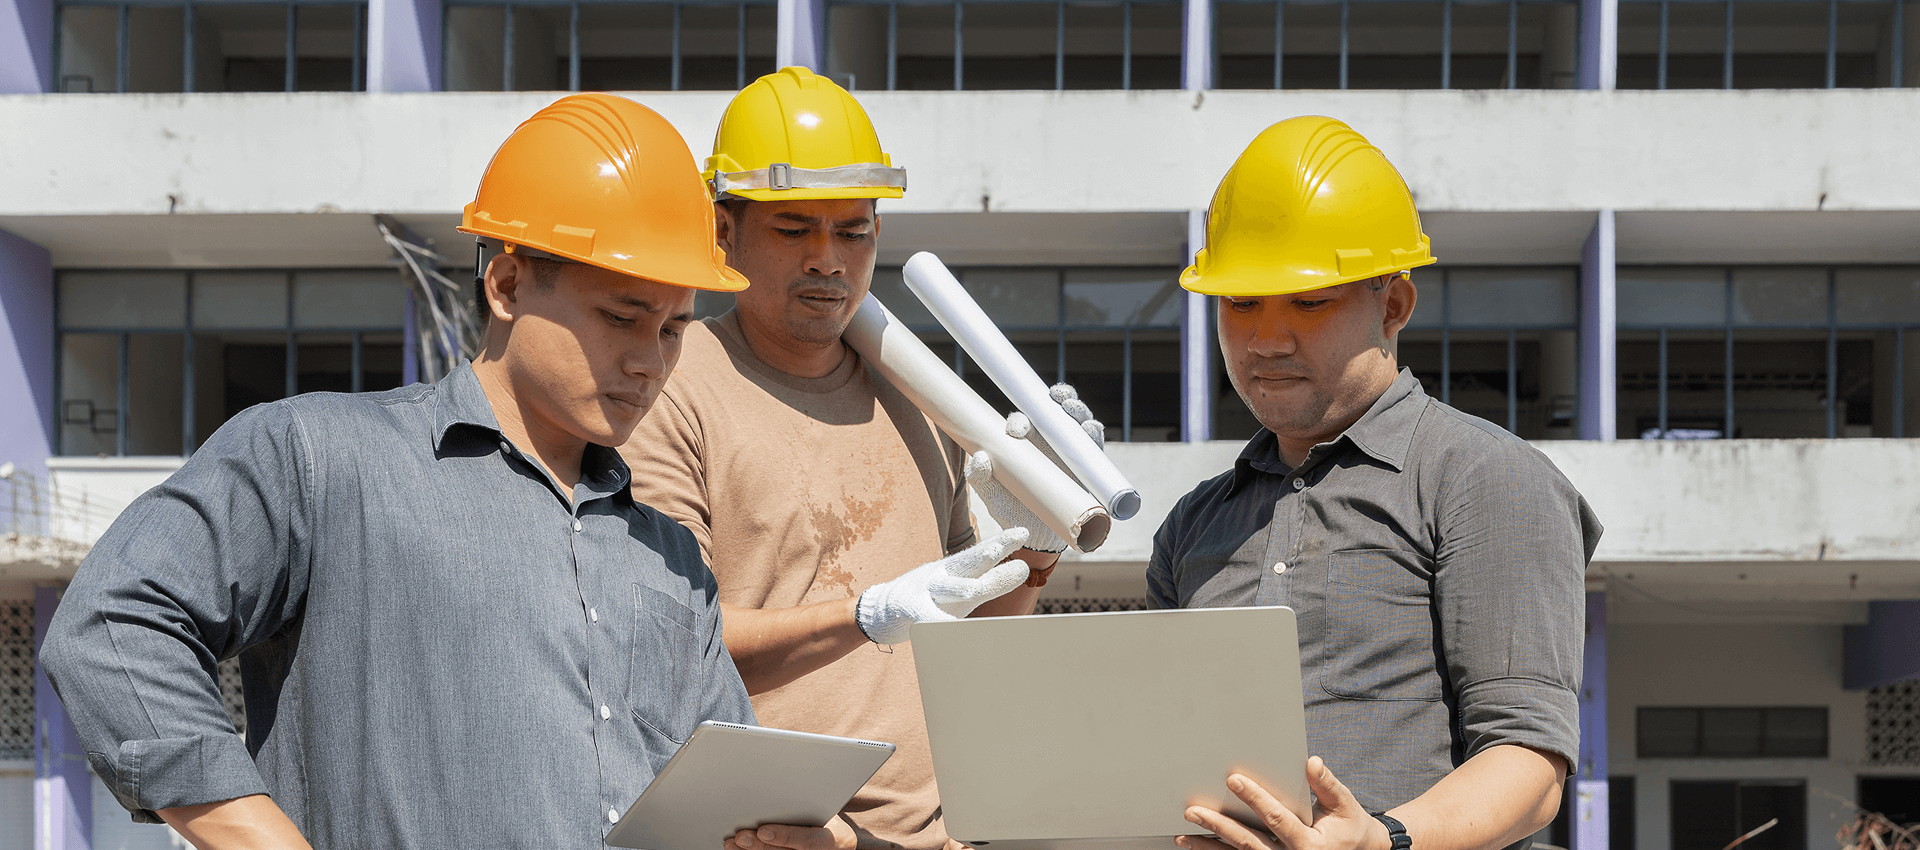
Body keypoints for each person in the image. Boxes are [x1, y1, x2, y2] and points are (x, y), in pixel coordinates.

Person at [40, 94, 761, 850]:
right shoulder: (318, 460)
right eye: (622, 316)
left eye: (675, 328)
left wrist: (773, 830)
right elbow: (112, 624)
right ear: (508, 284)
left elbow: (715, 795)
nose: (651, 361)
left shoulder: (673, 562)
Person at [620, 66, 1096, 850]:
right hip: (766, 831)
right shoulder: (673, 389)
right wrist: (866, 615)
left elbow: (969, 647)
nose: (828, 260)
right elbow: (679, 647)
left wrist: (1032, 555)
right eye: (794, 227)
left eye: (854, 229)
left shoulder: (921, 393)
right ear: (721, 232)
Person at [1149, 116, 1602, 850]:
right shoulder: (1193, 526)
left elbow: (1531, 766)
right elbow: (1164, 761)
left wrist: (1380, 841)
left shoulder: (1489, 482)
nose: (1266, 339)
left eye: (1308, 301)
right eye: (1241, 303)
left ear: (1393, 305)